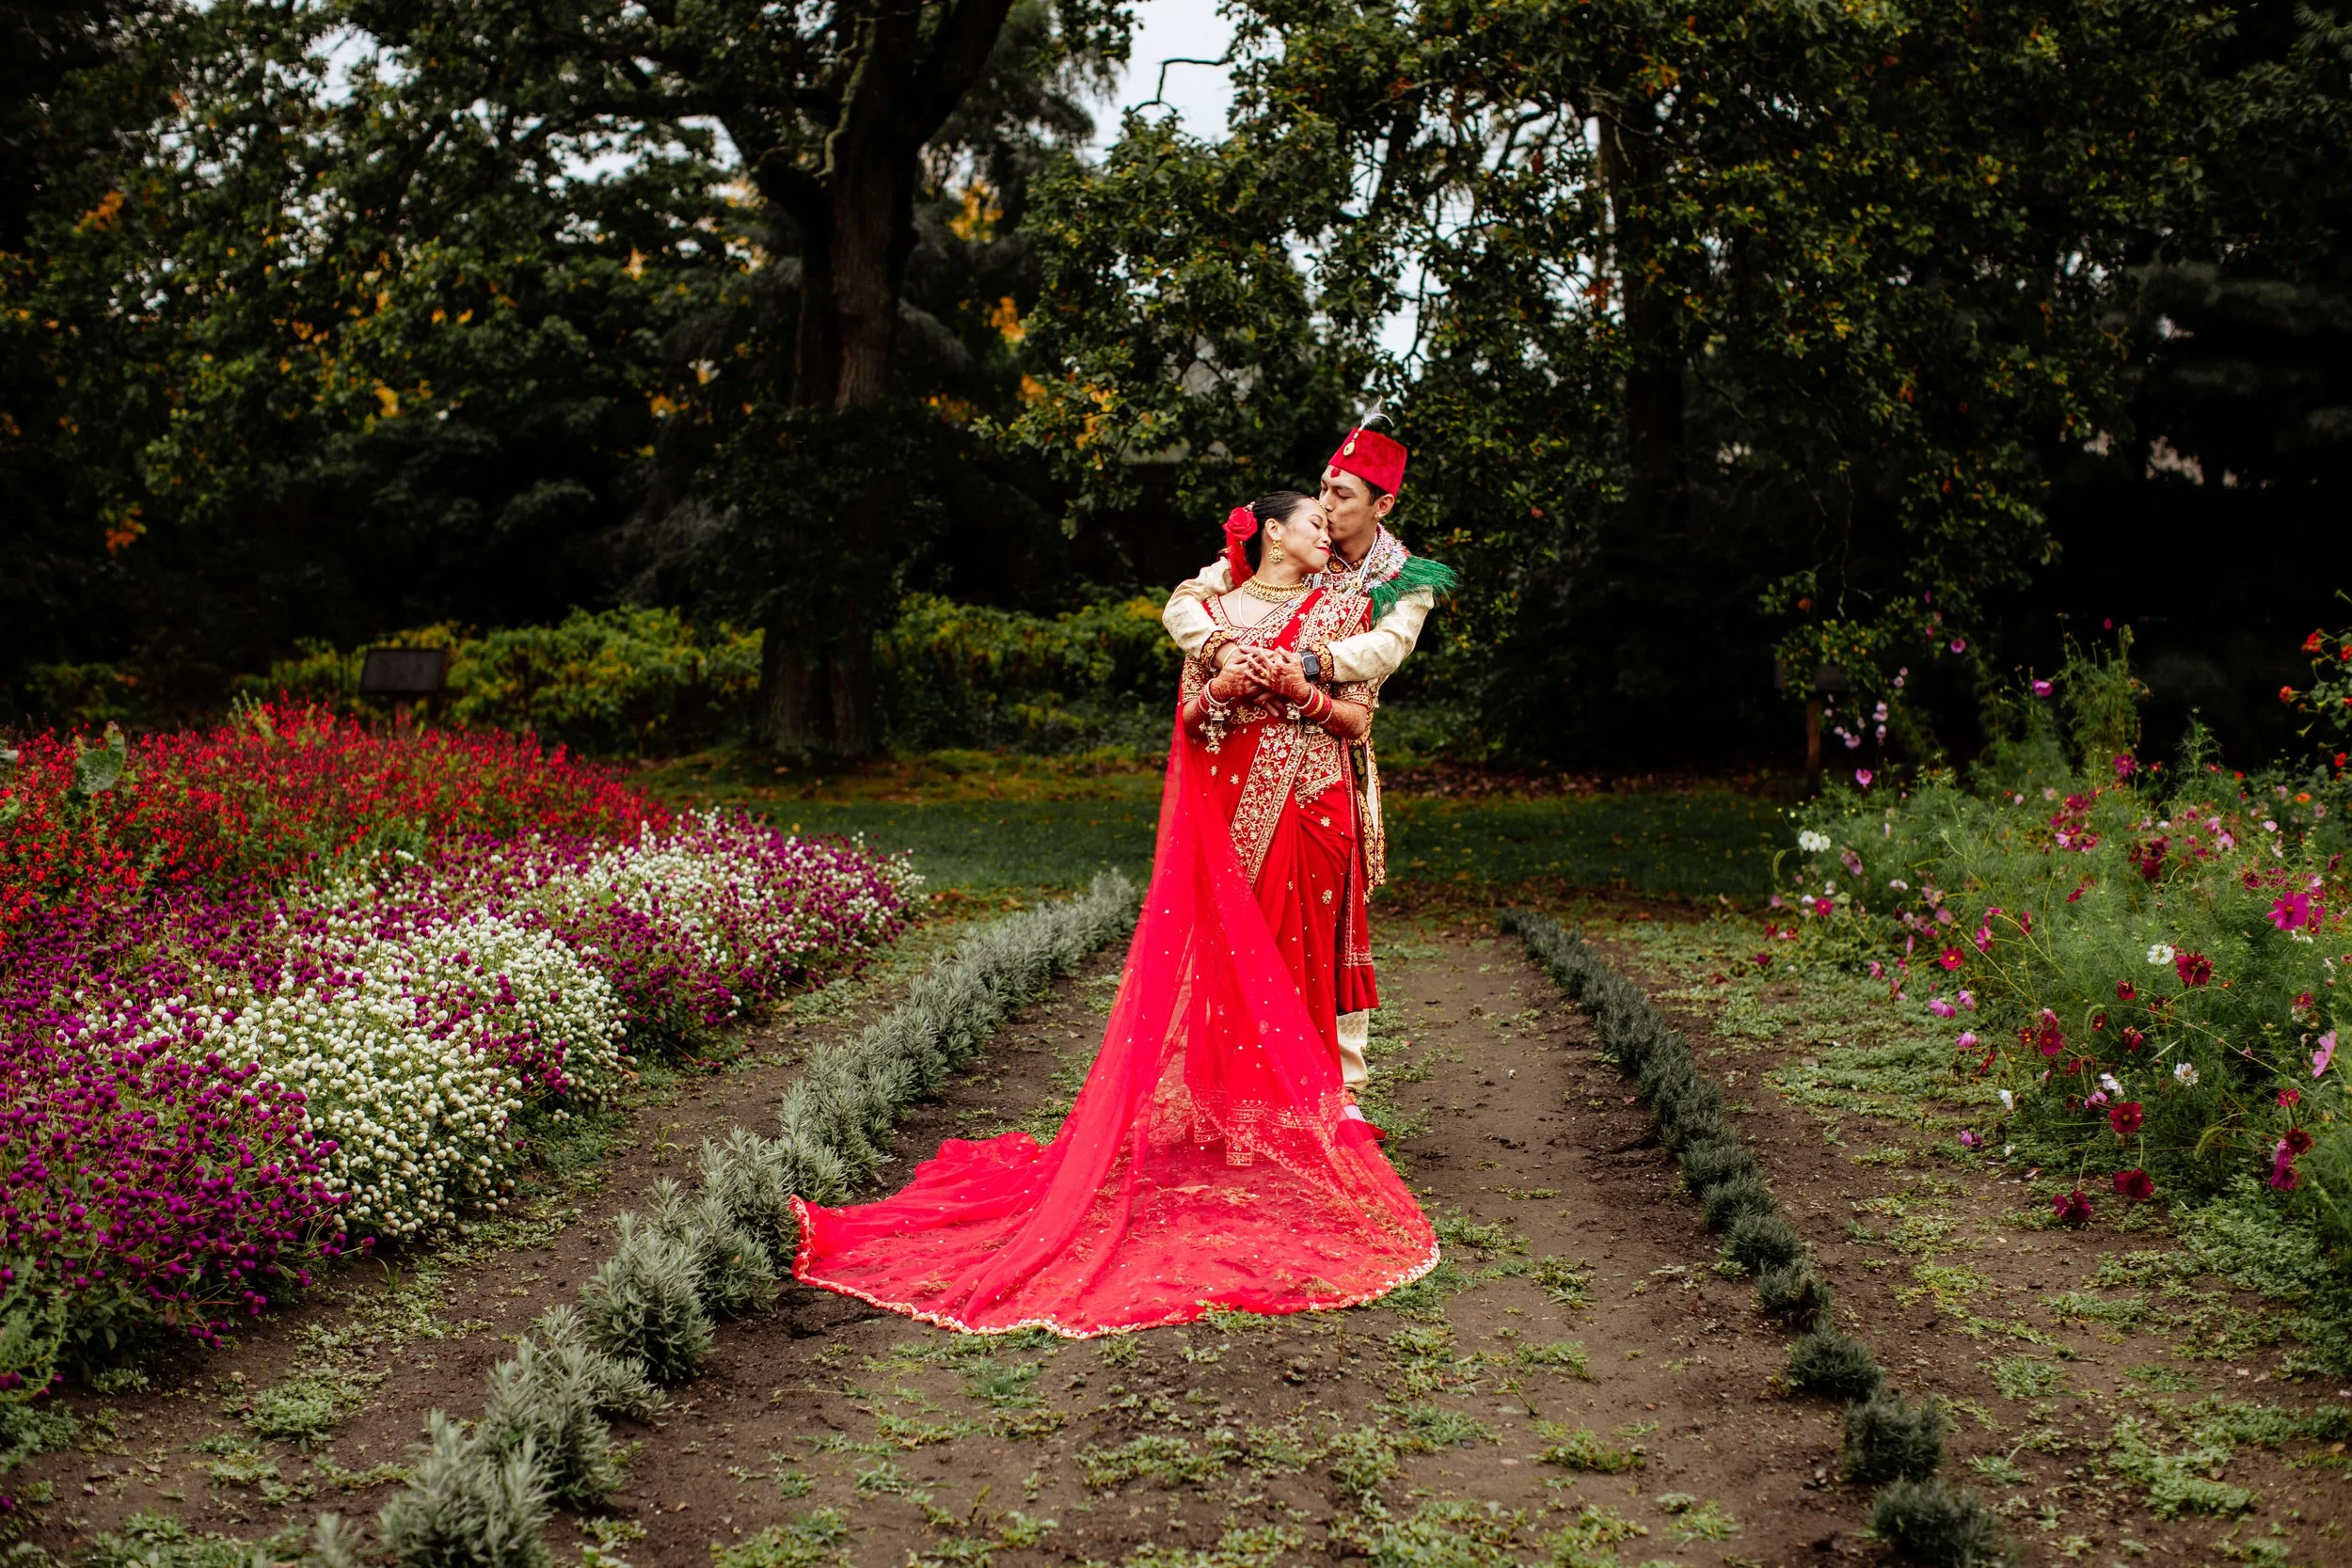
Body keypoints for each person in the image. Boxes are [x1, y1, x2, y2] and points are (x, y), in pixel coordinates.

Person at [790, 492, 1438, 1338]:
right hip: (1233, 808)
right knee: (1230, 968)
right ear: (1272, 532)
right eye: (1312, 520)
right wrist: (1228, 687)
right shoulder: (1213, 613)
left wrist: (1303, 689)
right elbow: (1192, 722)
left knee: (1301, 959)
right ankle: (1229, 1123)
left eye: (1334, 514)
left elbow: (1357, 718)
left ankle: (1302, 1125)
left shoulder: (1344, 608)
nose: (1328, 531)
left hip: (1313, 805)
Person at [1160, 423, 1454, 1095]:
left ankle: (1339, 1084)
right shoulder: (1285, 542)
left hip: (1331, 753)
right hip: (1246, 751)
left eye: (1342, 493)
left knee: (1333, 914)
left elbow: (1384, 652)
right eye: (1322, 487)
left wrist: (1309, 665)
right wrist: (1224, 653)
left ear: (1381, 506)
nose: (1328, 501)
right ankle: (1237, 1076)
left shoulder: (1402, 579)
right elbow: (1184, 604)